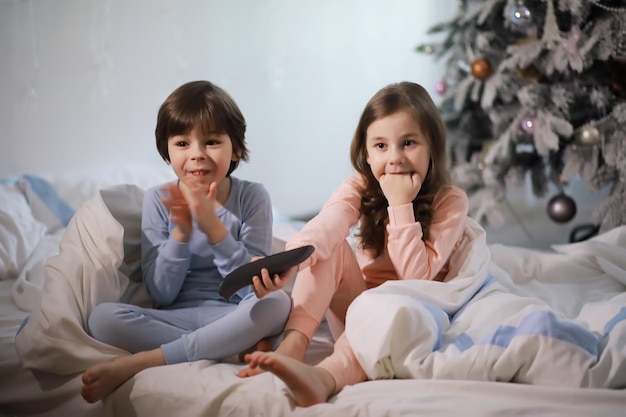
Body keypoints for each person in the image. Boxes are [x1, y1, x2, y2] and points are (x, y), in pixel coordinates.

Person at [241, 81, 469, 406]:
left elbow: (418, 279)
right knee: (331, 246)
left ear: (432, 145)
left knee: (381, 313)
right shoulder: (361, 186)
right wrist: (291, 262)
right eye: (380, 146)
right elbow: (328, 224)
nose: (395, 158)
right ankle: (293, 346)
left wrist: (400, 205)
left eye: (408, 143)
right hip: (358, 303)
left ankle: (324, 378)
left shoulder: (450, 201)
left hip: (408, 313)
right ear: (365, 150)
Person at [81, 80, 292, 403]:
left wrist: (213, 228)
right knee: (102, 318)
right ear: (167, 152)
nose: (196, 155)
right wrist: (180, 233)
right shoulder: (158, 200)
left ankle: (145, 360)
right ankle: (227, 349)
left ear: (235, 148)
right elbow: (161, 292)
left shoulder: (252, 197)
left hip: (232, 313)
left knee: (277, 304)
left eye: (211, 142)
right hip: (177, 315)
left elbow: (252, 288)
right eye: (182, 143)